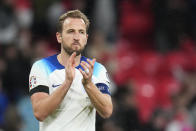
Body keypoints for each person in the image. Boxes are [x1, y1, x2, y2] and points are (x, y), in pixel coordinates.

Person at [29, 10, 113, 131]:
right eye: (70, 31)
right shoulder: (41, 66)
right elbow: (39, 113)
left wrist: (89, 85)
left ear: (86, 38)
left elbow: (107, 111)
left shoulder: (96, 69)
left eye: (81, 32)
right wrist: (67, 83)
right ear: (59, 37)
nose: (76, 37)